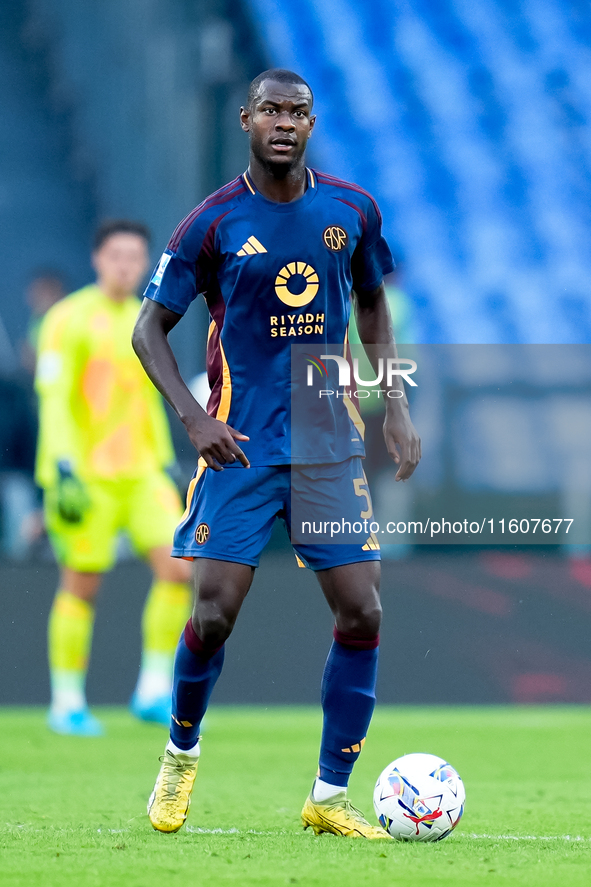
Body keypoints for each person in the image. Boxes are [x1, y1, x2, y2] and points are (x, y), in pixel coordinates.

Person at [133, 69, 421, 838]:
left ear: (312, 123)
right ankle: (179, 754)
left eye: (297, 111)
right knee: (215, 612)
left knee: (361, 611)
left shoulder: (351, 210)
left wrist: (392, 404)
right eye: (271, 111)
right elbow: (147, 330)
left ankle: (328, 795)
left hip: (327, 443)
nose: (284, 122)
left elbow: (370, 304)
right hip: (241, 446)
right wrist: (195, 419)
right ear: (246, 120)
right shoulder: (213, 222)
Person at [35, 220, 191, 736]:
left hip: (143, 472)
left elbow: (147, 402)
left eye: (135, 257)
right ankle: (67, 701)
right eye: (117, 255)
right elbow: (54, 395)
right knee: (82, 584)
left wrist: (165, 459)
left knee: (179, 571)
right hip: (85, 475)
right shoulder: (68, 318)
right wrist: (60, 465)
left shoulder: (146, 320)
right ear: (97, 259)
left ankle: (151, 690)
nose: (126, 265)